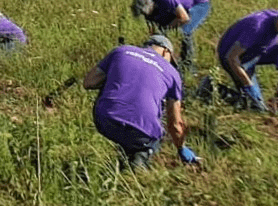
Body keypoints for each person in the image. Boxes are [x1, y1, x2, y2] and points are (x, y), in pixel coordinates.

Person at [84, 35, 196, 170]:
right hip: (142, 131)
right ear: (166, 51)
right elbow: (175, 123)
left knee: (126, 129)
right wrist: (181, 148)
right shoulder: (172, 72)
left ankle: (126, 157)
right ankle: (139, 163)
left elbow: (89, 82)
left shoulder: (121, 51)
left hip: (105, 118)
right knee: (152, 133)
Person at [216, 6, 278, 115]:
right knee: (256, 108)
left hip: (259, 51)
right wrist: (249, 86)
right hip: (238, 59)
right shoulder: (256, 27)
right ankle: (214, 90)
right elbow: (231, 58)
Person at [131, 0, 210, 72]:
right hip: (180, 8)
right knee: (160, 24)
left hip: (199, 3)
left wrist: (167, 28)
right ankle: (163, 57)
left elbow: (184, 18)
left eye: (145, 14)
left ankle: (188, 64)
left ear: (150, 6)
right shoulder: (152, 4)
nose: (146, 17)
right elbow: (154, 26)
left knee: (185, 30)